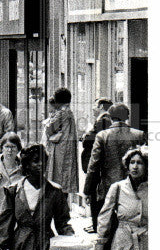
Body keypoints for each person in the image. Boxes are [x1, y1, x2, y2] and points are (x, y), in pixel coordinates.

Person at [84, 103, 146, 238]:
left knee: (108, 227)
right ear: (127, 117)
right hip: (134, 188)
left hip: (108, 187)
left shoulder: (102, 136)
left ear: (110, 117)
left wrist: (88, 190)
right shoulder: (139, 135)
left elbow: (93, 166)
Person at [80, 98, 112, 231]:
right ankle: (95, 224)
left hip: (97, 164)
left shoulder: (103, 120)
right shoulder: (103, 120)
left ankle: (96, 225)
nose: (93, 108)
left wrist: (86, 136)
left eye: (95, 105)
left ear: (101, 107)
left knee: (95, 193)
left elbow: (90, 140)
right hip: (96, 162)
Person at [42, 87, 79, 195]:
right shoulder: (69, 112)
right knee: (65, 181)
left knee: (57, 179)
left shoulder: (61, 113)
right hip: (68, 149)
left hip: (60, 151)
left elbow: (49, 129)